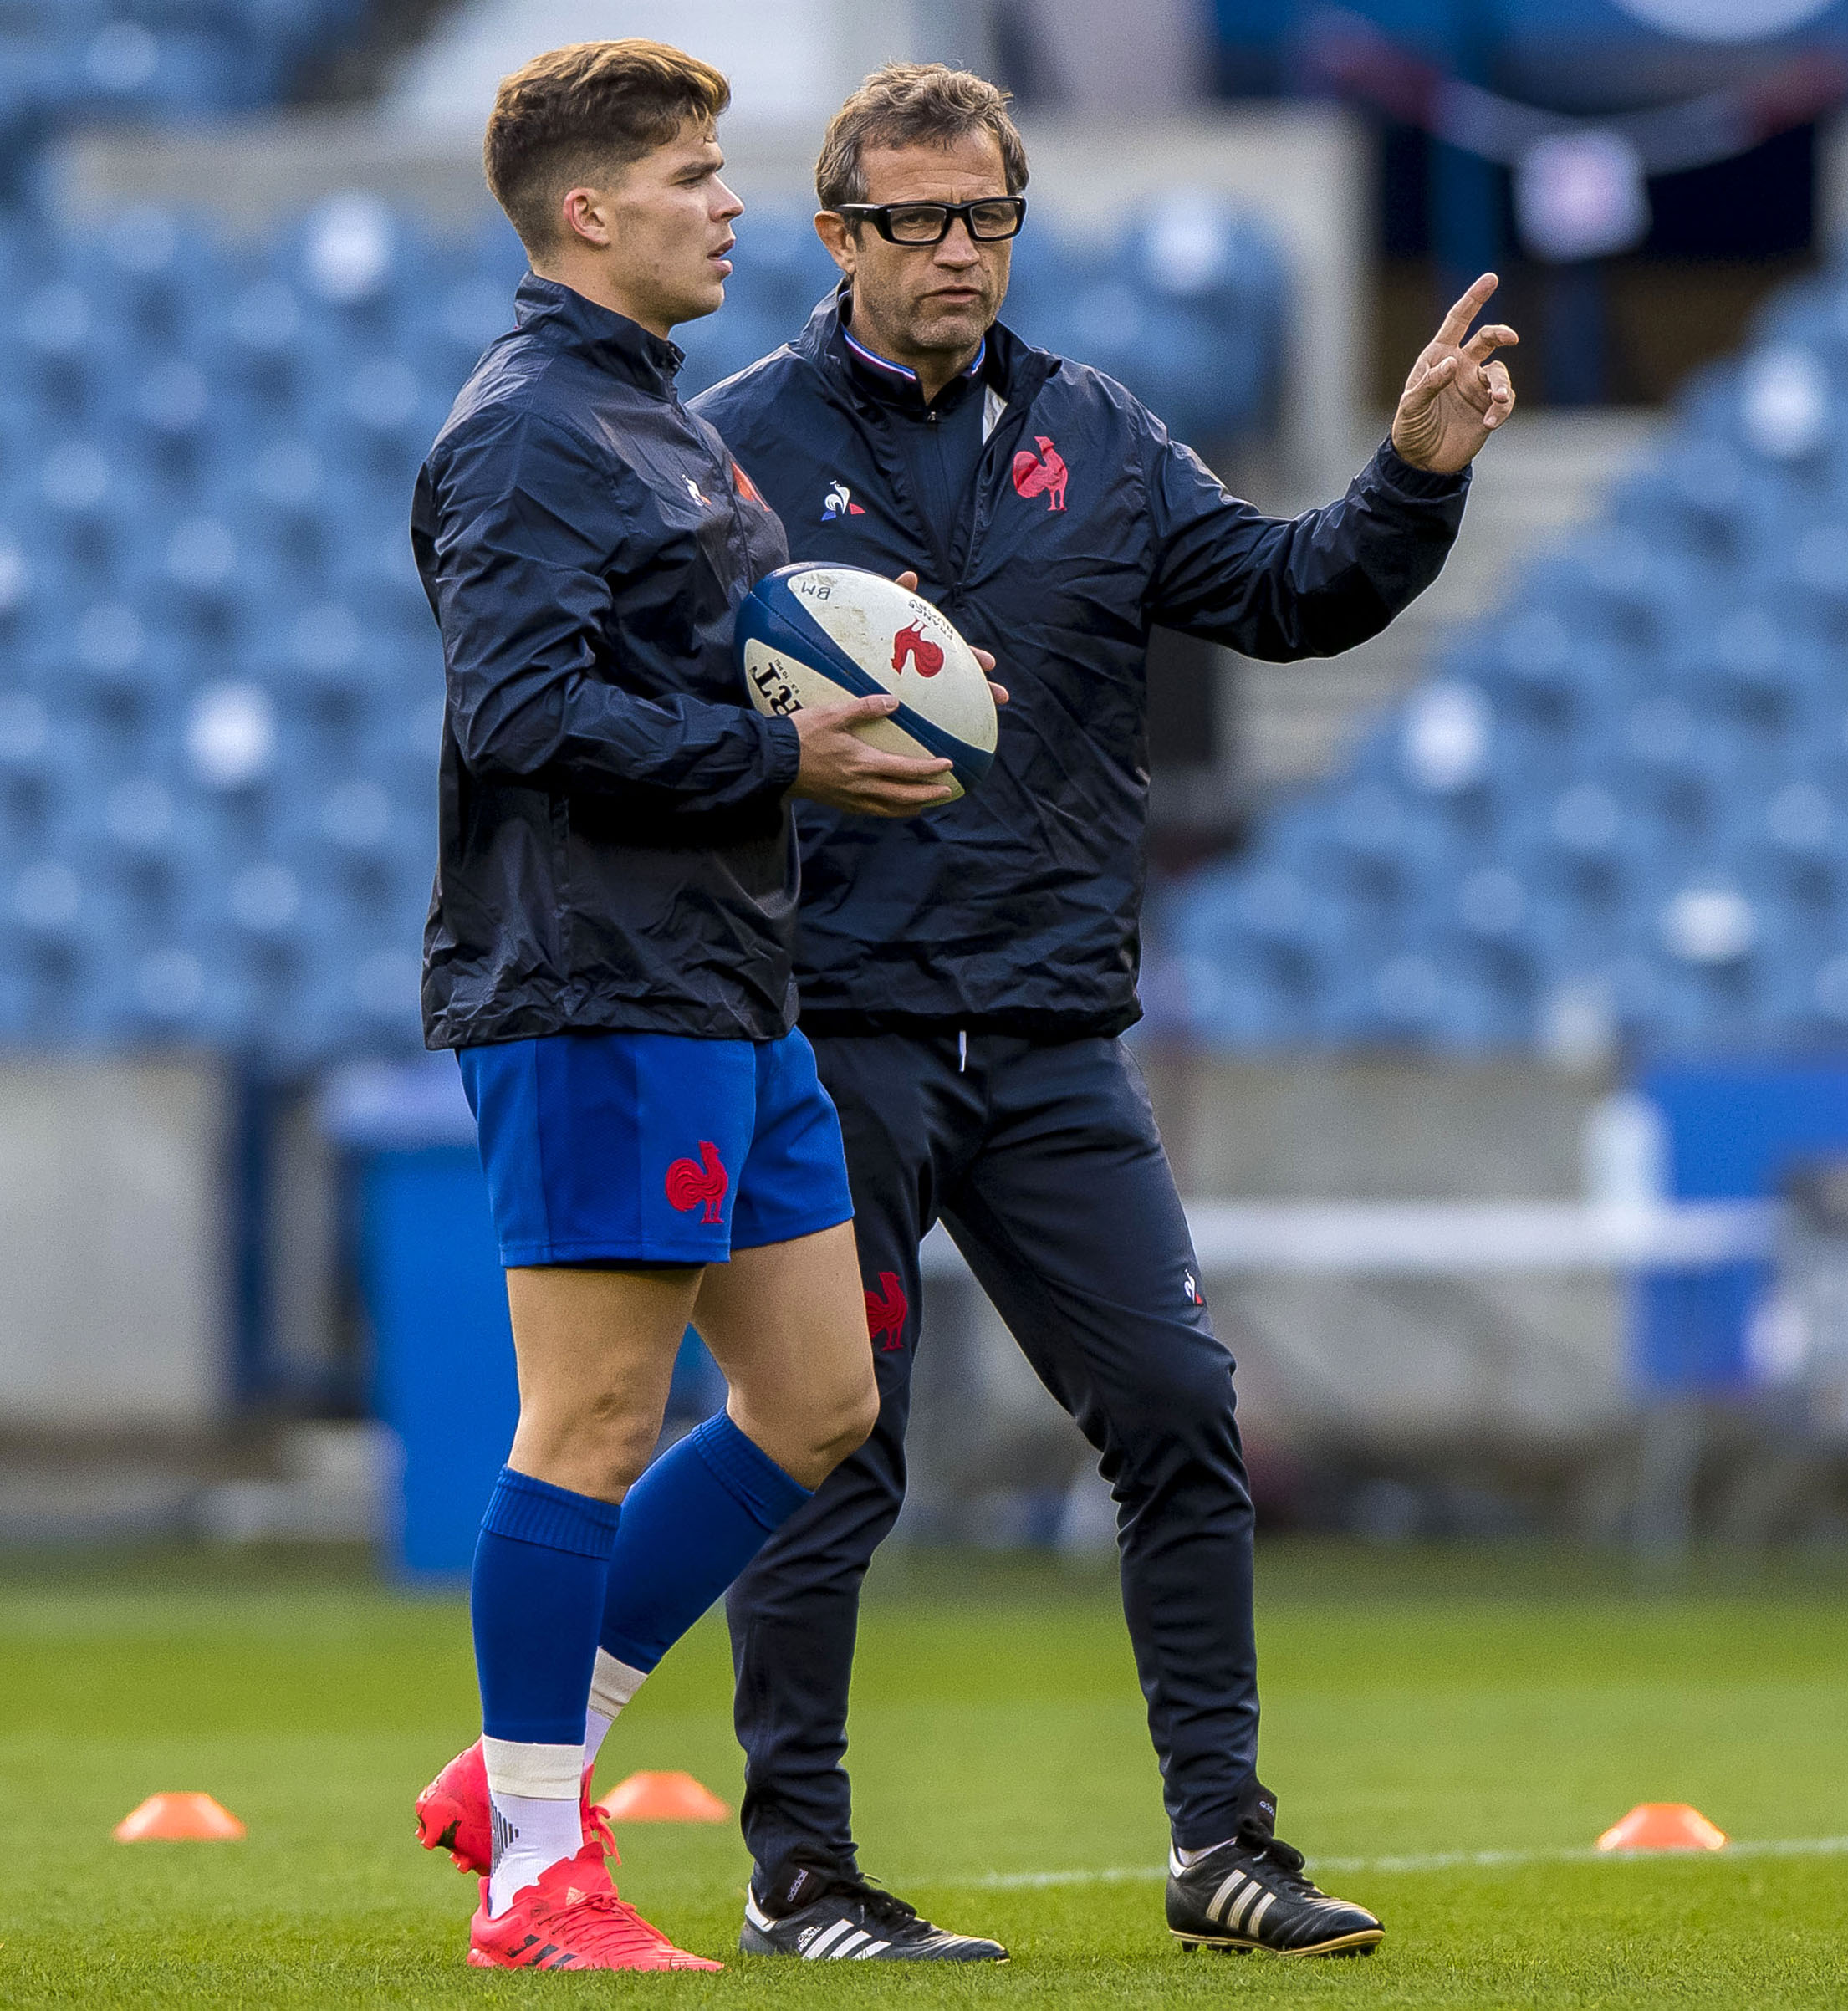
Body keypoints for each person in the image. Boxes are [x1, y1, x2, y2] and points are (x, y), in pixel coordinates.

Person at [692, 60, 1516, 1963]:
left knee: (1171, 1406)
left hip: (1053, 1035)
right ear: (838, 237)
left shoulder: (1098, 432)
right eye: (920, 222)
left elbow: (1294, 597)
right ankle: (798, 1867)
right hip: (837, 1031)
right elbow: (653, 710)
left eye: (990, 218)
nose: (961, 252)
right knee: (838, 1435)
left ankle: (1220, 1841)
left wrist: (1411, 476)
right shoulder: (731, 448)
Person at [401, 40, 1008, 1969]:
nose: (730, 200)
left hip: (731, 987)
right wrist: (788, 763)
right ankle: (529, 1873)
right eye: (691, 172)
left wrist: (891, 679)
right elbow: (516, 715)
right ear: (591, 212)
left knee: (820, 1400)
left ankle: (519, 1760)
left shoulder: (657, 422)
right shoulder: (526, 430)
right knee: (586, 1416)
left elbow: (724, 673)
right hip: (593, 985)